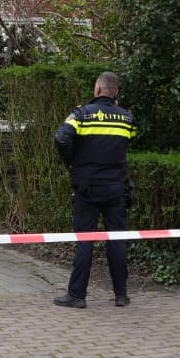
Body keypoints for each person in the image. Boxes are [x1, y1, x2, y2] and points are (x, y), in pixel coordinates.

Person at [52, 71, 137, 309]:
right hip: (116, 189)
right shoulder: (127, 118)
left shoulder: (80, 115)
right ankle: (121, 294)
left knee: (85, 240)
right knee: (117, 240)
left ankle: (77, 296)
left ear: (97, 90)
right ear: (115, 93)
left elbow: (61, 138)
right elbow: (130, 138)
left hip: (87, 188)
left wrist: (71, 162)